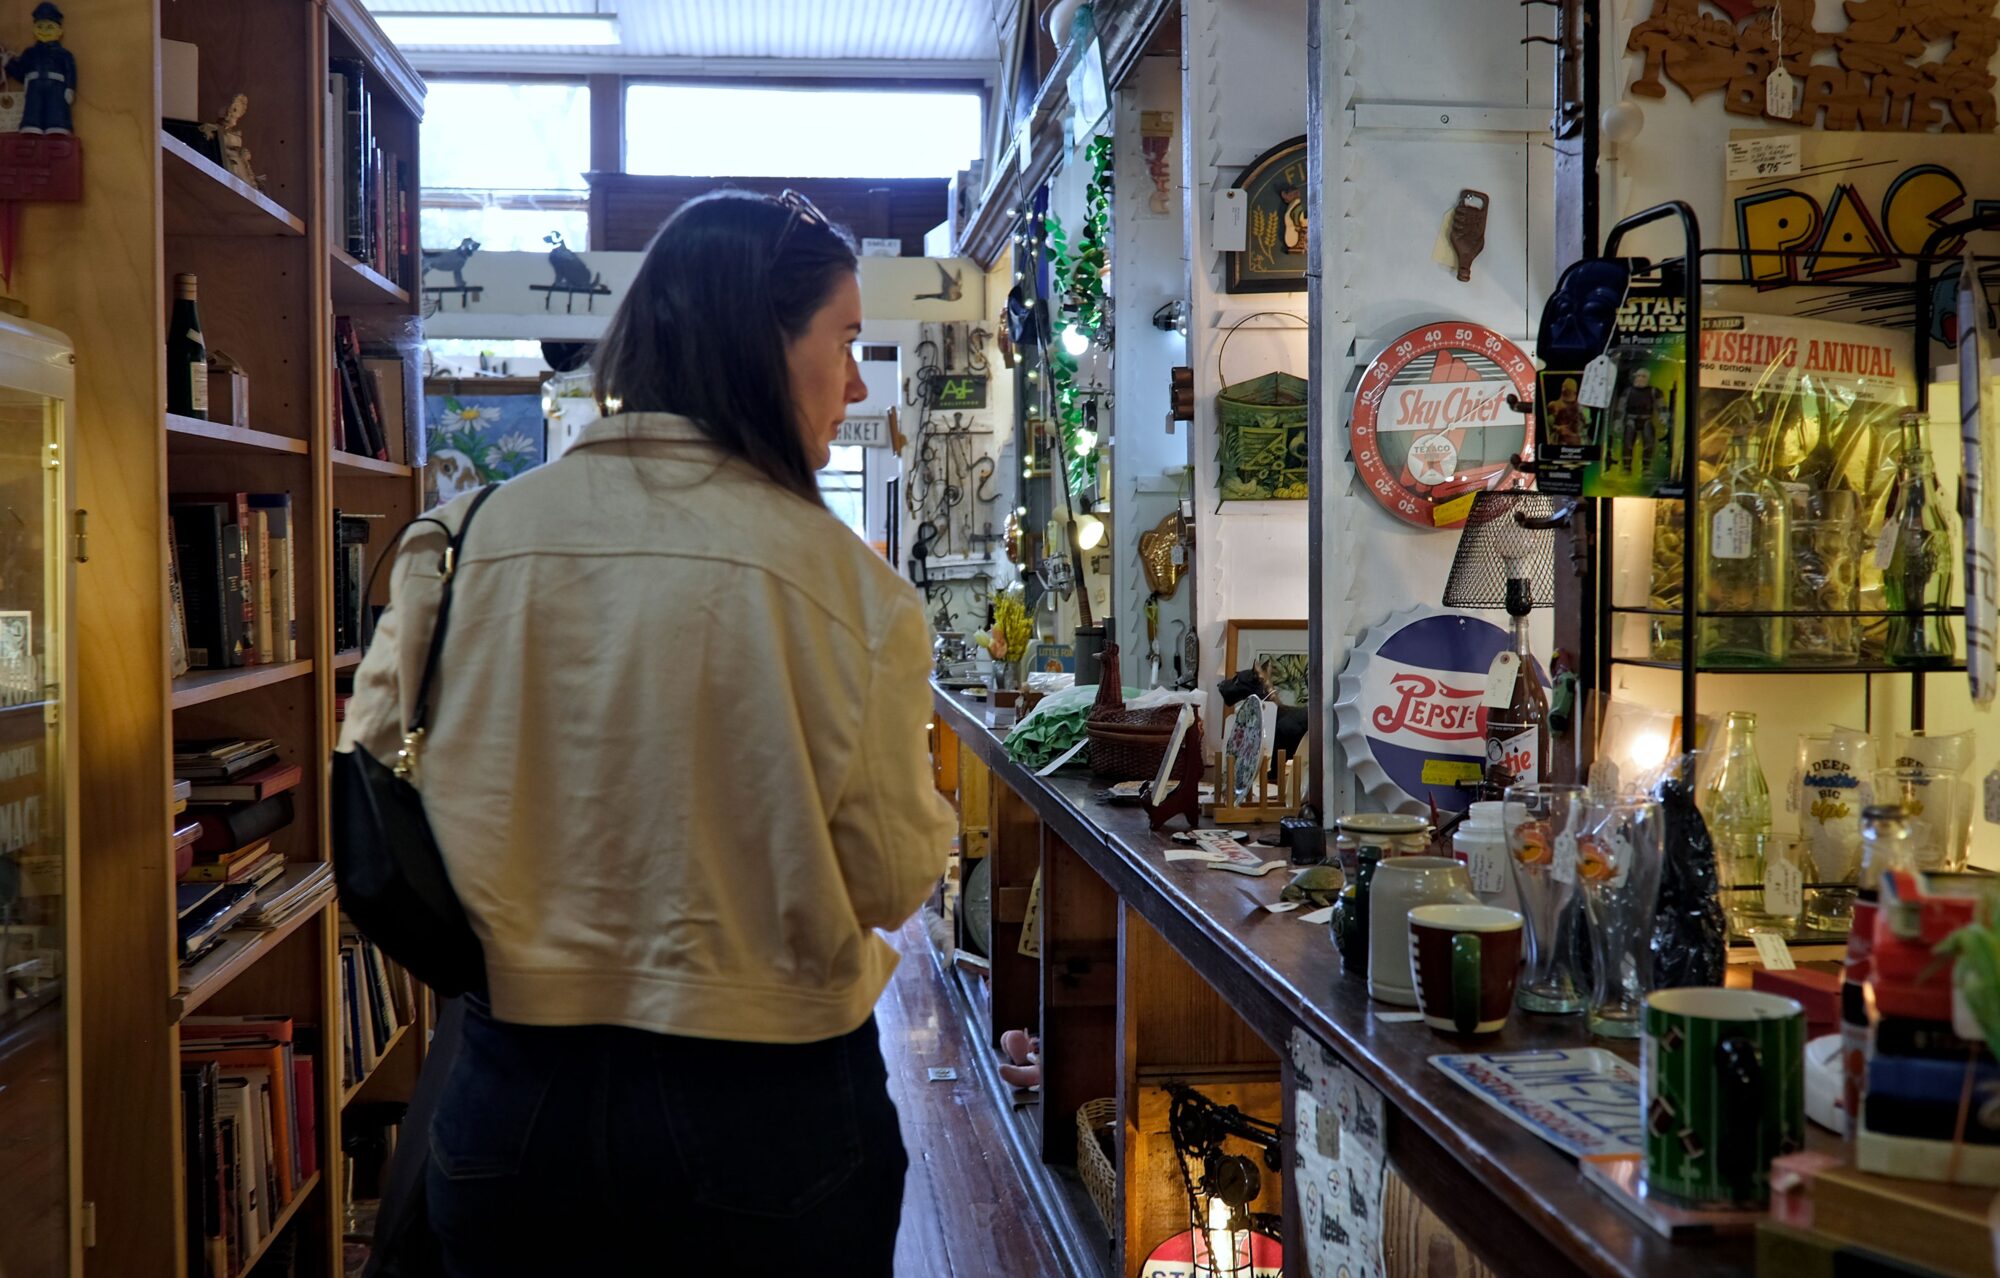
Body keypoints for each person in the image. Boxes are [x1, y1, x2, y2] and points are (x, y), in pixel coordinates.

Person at [337, 190, 954, 1276]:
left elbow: (380, 787)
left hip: (516, 1091)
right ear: (762, 342)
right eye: (846, 341)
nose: (856, 382)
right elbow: (887, 878)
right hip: (770, 1106)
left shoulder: (467, 539)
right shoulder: (852, 588)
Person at [9, 2, 72, 135]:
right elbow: (21, 72)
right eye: (40, 26)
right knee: (33, 106)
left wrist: (70, 88)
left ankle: (57, 124)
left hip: (56, 87)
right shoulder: (30, 53)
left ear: (59, 30)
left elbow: (70, 71)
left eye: (49, 27)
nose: (44, 31)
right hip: (34, 86)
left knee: (56, 107)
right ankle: (31, 124)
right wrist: (8, 63)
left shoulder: (64, 54)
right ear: (34, 29)